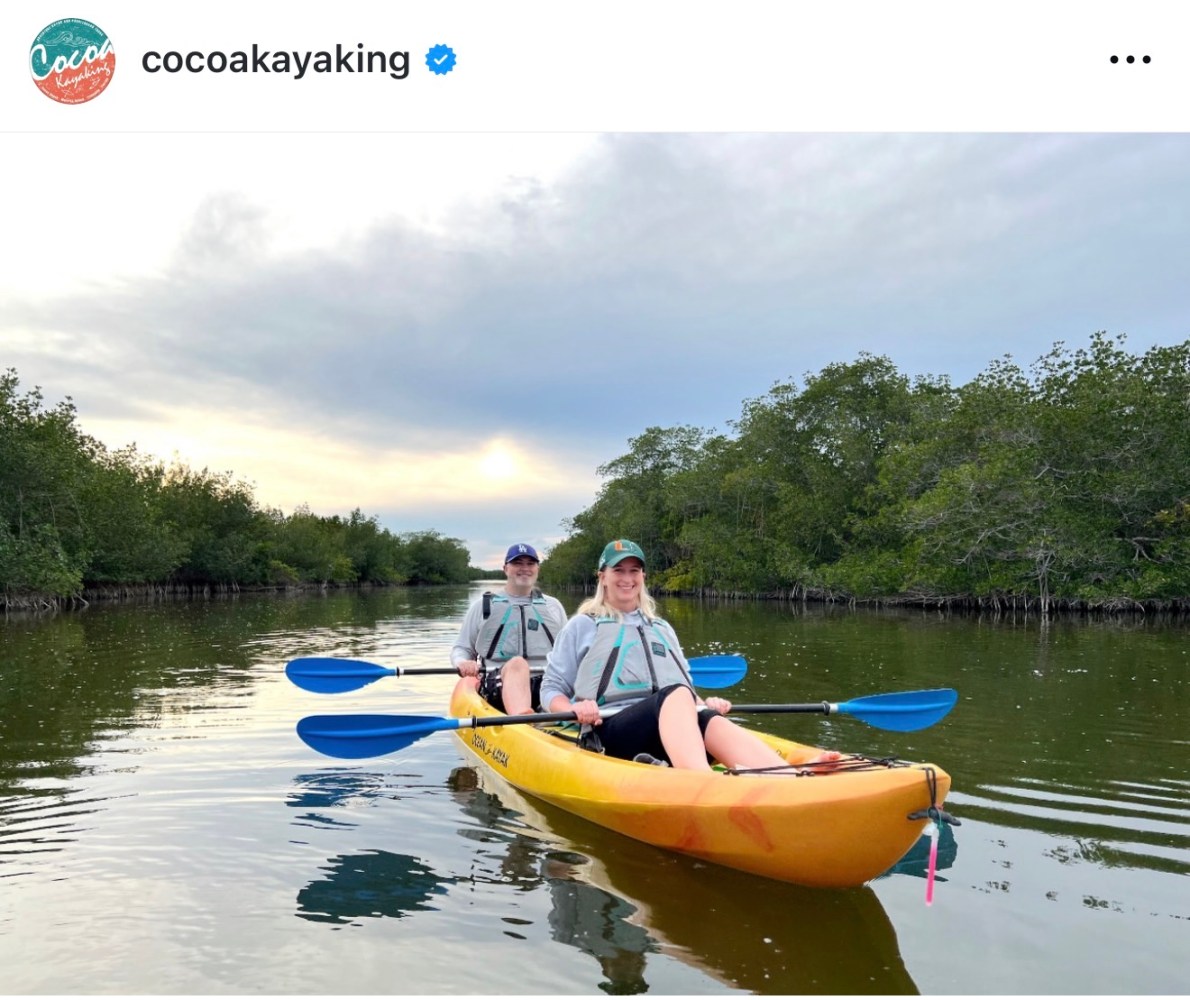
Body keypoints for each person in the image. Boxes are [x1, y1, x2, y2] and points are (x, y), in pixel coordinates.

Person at [540, 539, 841, 771]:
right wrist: (575, 708)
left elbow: (682, 693)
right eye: (618, 570)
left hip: (666, 729)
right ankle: (703, 783)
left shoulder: (662, 628)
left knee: (707, 717)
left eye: (634, 571)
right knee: (677, 696)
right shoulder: (583, 624)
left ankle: (785, 775)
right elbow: (551, 688)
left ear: (643, 576)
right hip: (610, 731)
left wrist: (703, 703)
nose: (627, 578)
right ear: (602, 577)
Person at [450, 543, 568, 715]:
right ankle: (523, 720)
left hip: (547, 685)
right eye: (518, 563)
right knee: (518, 664)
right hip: (498, 683)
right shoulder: (483, 606)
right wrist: (463, 662)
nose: (524, 568)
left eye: (530, 563)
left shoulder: (553, 606)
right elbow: (461, 648)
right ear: (505, 569)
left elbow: (568, 652)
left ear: (537, 569)